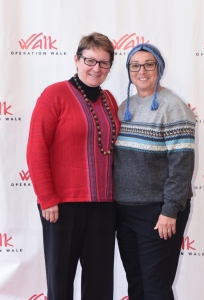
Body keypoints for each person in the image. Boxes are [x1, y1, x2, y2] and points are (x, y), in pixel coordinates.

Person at [27, 32, 120, 300]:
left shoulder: (109, 100)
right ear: (76, 60)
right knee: (61, 279)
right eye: (90, 60)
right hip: (62, 205)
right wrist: (47, 199)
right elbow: (36, 149)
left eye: (104, 63)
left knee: (100, 283)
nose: (96, 68)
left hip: (103, 205)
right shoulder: (54, 95)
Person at [114, 43, 195, 300]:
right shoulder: (125, 106)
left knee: (156, 289)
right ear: (128, 70)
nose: (142, 71)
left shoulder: (173, 107)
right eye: (135, 65)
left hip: (158, 214)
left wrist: (170, 210)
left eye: (149, 64)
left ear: (159, 68)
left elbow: (182, 165)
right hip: (124, 211)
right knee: (135, 284)